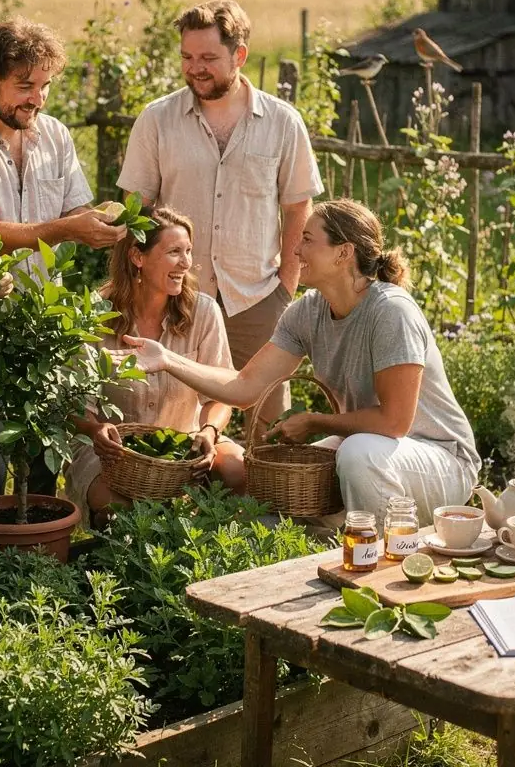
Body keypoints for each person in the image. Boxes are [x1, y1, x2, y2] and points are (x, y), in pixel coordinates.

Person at [122, 199, 481, 525]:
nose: (295, 249)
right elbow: (244, 388)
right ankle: (320, 552)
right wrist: (167, 359)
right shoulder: (308, 312)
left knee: (356, 454)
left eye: (308, 240)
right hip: (371, 448)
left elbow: (394, 422)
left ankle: (383, 555)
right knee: (274, 495)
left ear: (343, 253)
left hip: (440, 461)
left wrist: (314, 421)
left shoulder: (390, 312)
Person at [117, 0, 323, 433]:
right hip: (177, 298)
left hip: (257, 297)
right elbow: (137, 213)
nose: (195, 69)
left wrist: (285, 288)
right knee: (170, 421)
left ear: (239, 55)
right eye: (187, 57)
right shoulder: (156, 120)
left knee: (267, 430)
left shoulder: (283, 123)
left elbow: (297, 210)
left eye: (208, 58)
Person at [0, 17, 126, 495]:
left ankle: (38, 541)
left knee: (41, 462)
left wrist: (101, 220)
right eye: (25, 86)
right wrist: (66, 229)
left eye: (45, 86)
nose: (38, 98)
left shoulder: (54, 135)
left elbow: (73, 211)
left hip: (43, 322)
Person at [66, 206, 245, 524]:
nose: (186, 263)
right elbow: (77, 406)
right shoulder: (95, 315)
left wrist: (209, 430)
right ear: (138, 256)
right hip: (112, 454)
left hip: (184, 445)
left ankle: (215, 544)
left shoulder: (203, 312)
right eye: (174, 252)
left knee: (236, 469)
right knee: (122, 507)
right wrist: (95, 429)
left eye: (188, 251)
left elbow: (221, 394)